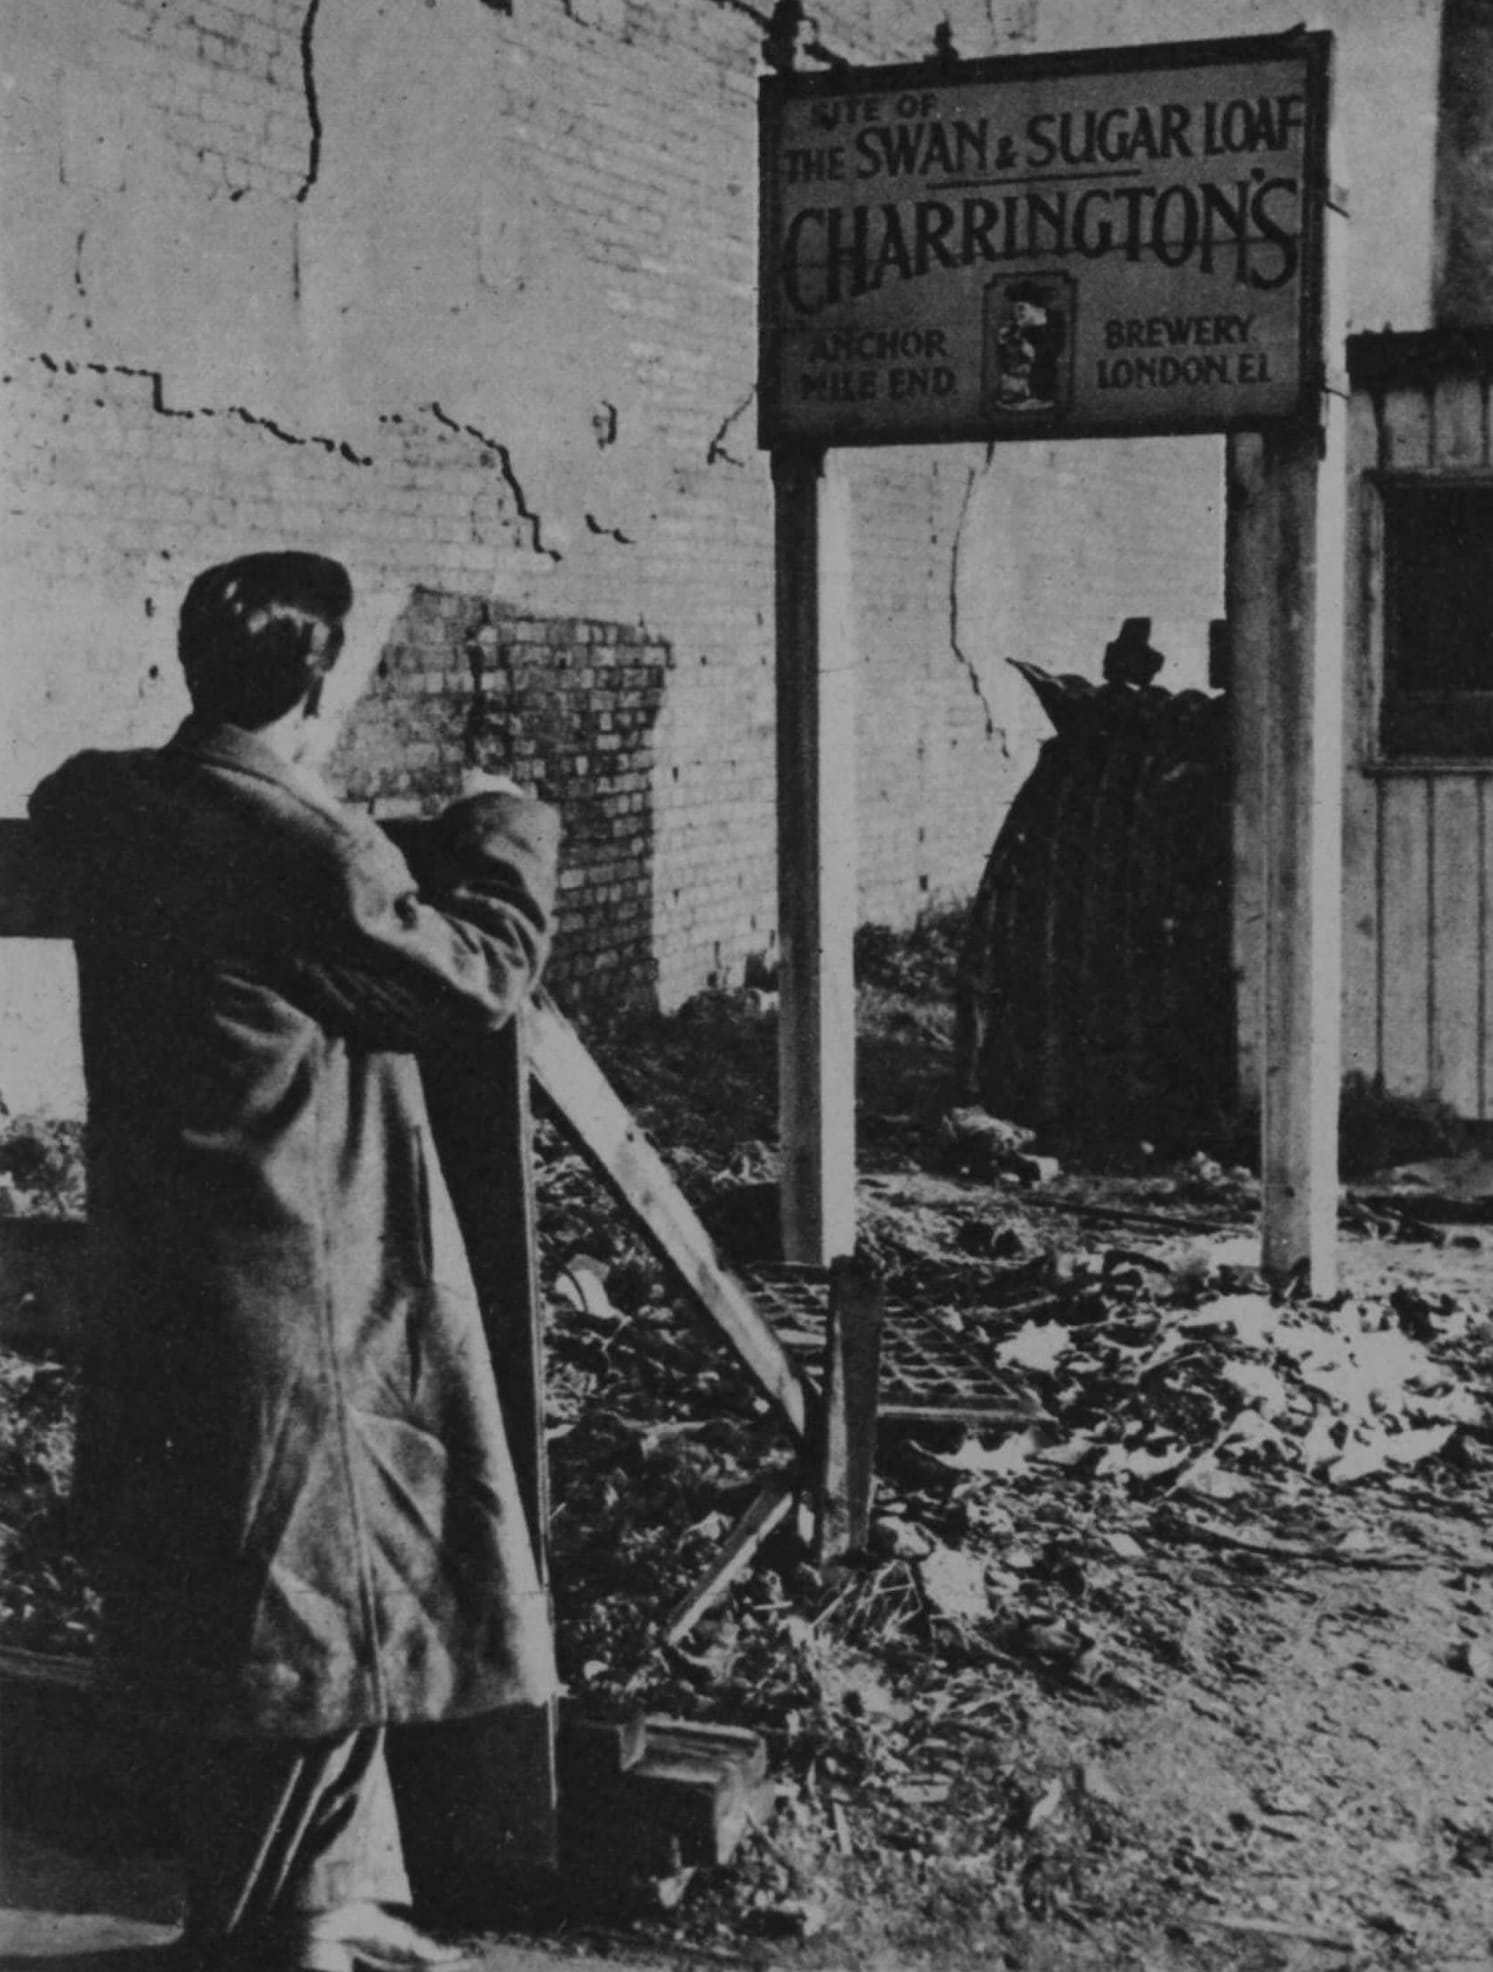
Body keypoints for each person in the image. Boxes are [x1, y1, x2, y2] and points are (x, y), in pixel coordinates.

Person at [29, 552, 561, 1972]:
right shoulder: (315, 851)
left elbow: (67, 812)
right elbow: (478, 981)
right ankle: (264, 1937)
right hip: (299, 1280)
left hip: (169, 1269)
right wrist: (505, 825)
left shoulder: (104, 803)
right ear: (318, 681)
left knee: (259, 1591)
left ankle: (321, 1910)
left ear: (193, 661)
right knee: (313, 1595)